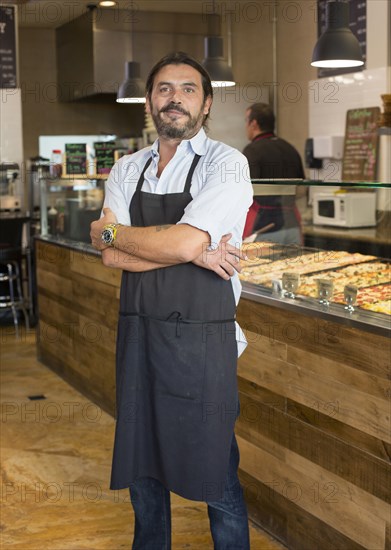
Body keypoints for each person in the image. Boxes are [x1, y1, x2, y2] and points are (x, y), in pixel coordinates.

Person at [90, 51, 253, 549]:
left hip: (202, 342)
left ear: (205, 105)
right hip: (140, 334)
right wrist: (195, 251)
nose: (174, 98)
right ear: (149, 101)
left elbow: (146, 241)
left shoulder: (226, 162)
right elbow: (107, 252)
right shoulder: (128, 166)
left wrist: (169, 243)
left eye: (187, 89)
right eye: (164, 89)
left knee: (217, 474)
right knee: (144, 472)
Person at [242, 102, 305, 244]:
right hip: (291, 224)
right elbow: (301, 190)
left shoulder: (251, 151)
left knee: (262, 266)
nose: (245, 126)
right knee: (294, 265)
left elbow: (245, 192)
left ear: (254, 123)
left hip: (263, 227)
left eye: (246, 121)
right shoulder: (289, 148)